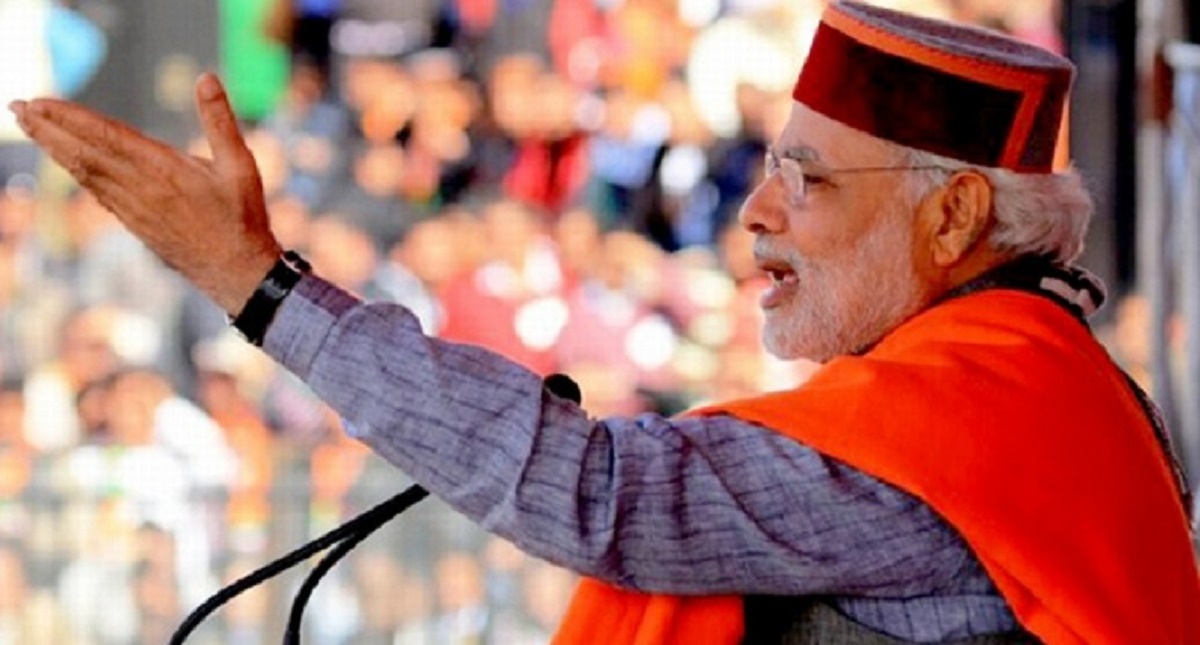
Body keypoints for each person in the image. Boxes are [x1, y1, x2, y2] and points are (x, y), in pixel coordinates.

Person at [10, 2, 1200, 643]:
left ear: (956, 216)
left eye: (810, 178)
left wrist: (261, 287)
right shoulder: (1036, 382)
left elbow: (604, 498)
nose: (760, 212)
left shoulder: (971, 429)